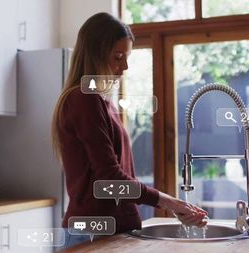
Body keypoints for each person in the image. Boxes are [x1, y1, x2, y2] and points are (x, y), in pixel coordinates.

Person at [52, 12, 207, 249]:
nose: (124, 66)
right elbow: (110, 179)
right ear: (96, 53)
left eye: (127, 57)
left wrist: (172, 205)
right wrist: (173, 203)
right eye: (118, 56)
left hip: (108, 231)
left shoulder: (101, 102)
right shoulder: (84, 98)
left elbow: (119, 177)